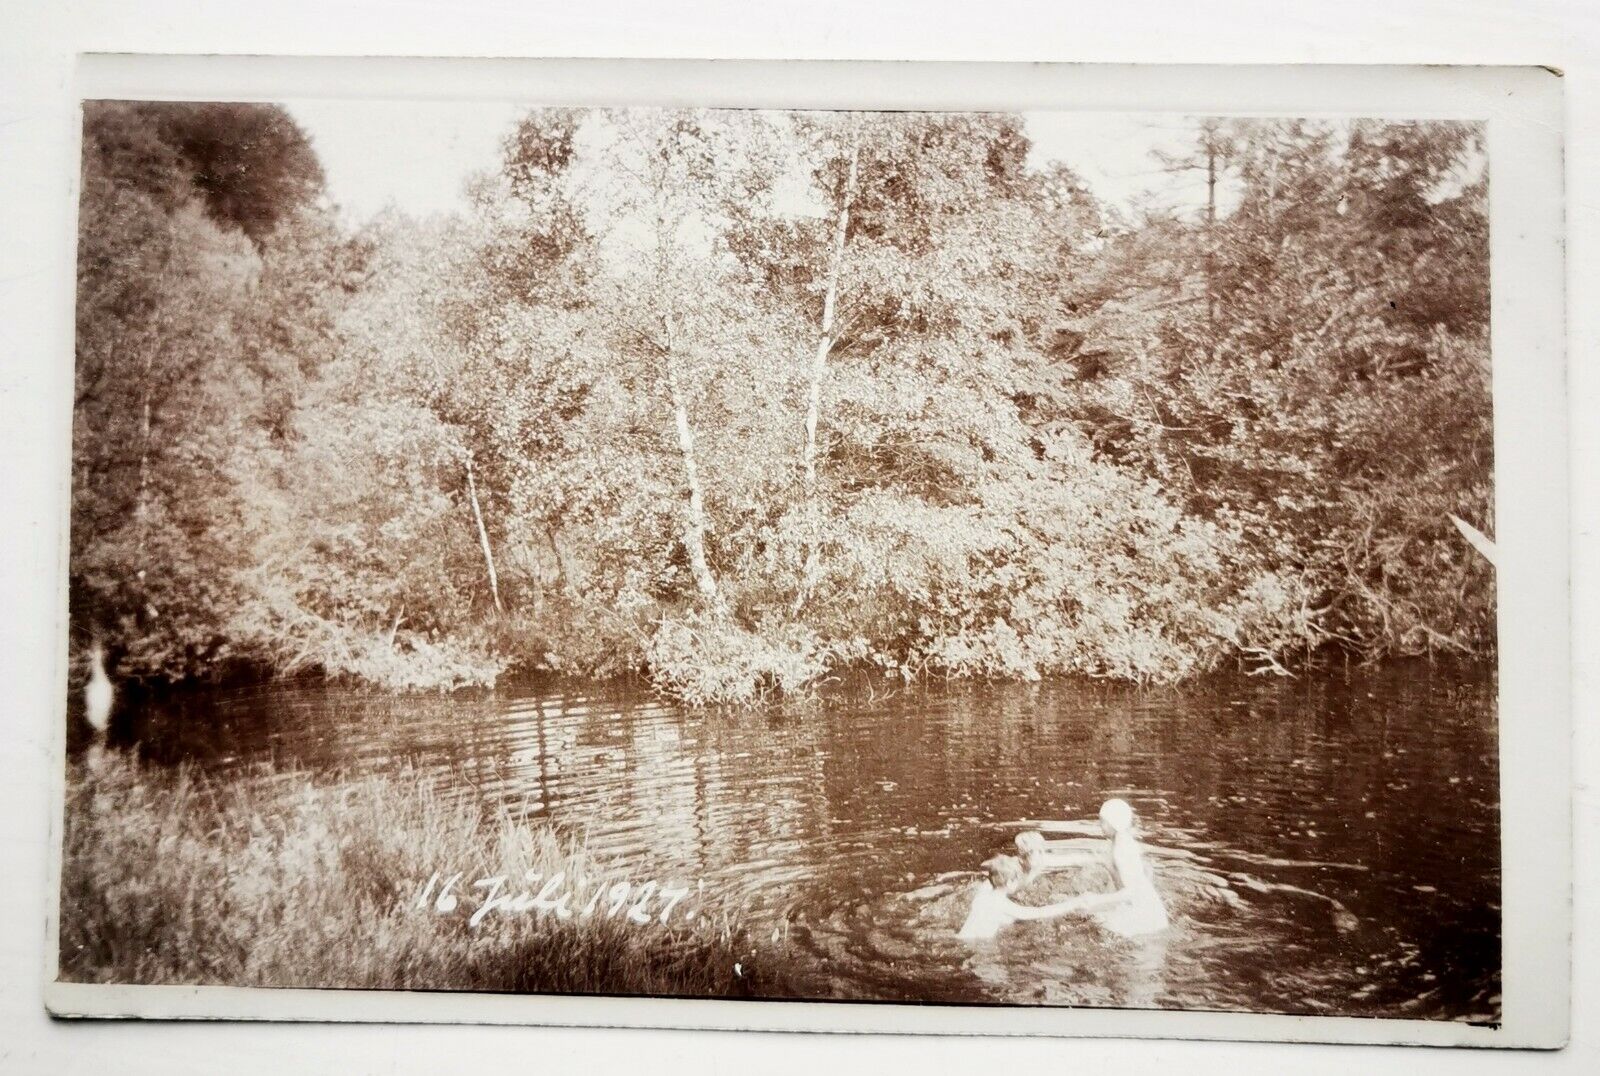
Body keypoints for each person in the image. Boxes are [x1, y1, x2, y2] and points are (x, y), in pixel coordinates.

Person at [1069, 798, 1171, 937]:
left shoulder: (1119, 850)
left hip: (1143, 917)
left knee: (1090, 924)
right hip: (1152, 908)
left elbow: (1131, 892)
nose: (1100, 826)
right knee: (1088, 916)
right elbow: (1147, 869)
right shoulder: (1125, 840)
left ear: (1114, 823)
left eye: (1103, 821)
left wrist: (1097, 899)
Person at [956, 853, 1098, 940]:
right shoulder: (1003, 905)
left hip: (959, 938)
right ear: (1011, 882)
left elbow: (993, 875)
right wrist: (1074, 903)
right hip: (975, 947)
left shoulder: (983, 895)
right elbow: (1039, 913)